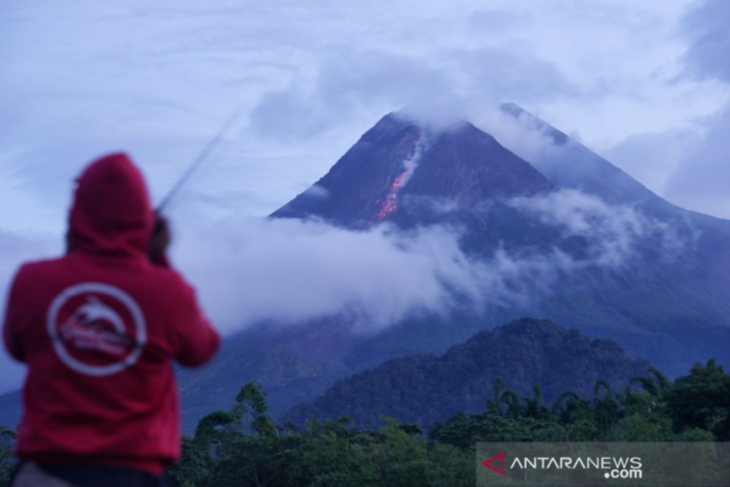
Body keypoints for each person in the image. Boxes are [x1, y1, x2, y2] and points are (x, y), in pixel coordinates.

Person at [2, 153, 220, 486]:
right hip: (134, 473)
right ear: (143, 219)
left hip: (45, 472)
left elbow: (17, 348)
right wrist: (158, 259)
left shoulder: (32, 281)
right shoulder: (168, 291)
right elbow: (201, 350)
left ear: (77, 212)